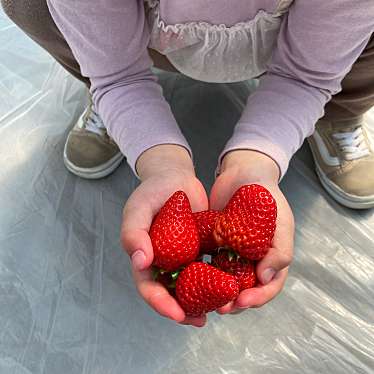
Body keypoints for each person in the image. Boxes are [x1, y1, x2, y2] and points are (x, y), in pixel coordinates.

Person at [2, 0, 374, 327]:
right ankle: (121, 114)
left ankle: (337, 112)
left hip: (303, 42)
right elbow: (119, 76)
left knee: (353, 53)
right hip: (151, 38)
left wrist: (258, 160)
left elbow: (304, 77)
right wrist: (161, 162)